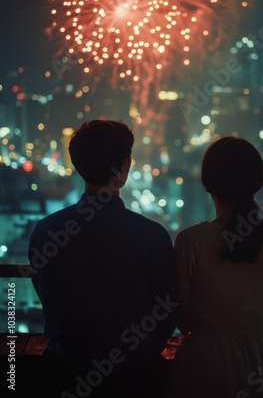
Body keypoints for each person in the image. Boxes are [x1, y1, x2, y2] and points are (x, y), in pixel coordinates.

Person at [28, 119, 178, 398]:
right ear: (124, 167)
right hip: (135, 377)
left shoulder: (46, 231)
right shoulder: (152, 236)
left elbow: (44, 289)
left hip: (62, 372)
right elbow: (167, 309)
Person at [168, 136, 263, 398]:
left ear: (208, 183)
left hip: (208, 363)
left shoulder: (190, 240)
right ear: (257, 181)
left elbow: (184, 319)